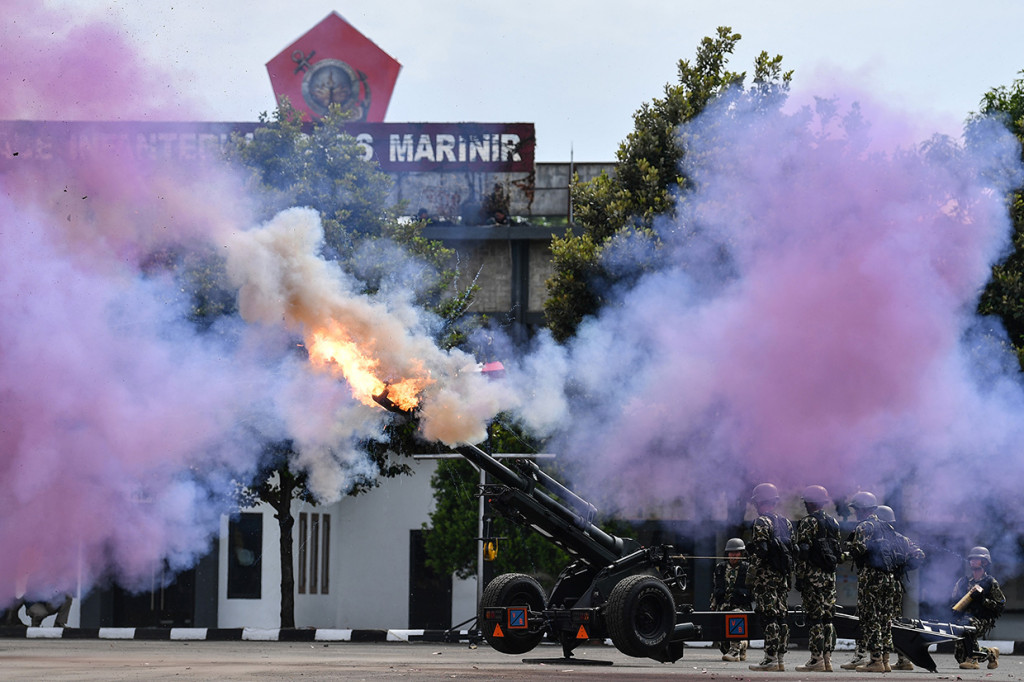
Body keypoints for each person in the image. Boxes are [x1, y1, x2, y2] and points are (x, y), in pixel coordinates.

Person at [845, 491, 901, 673]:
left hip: (871, 578)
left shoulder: (865, 526)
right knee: (885, 619)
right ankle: (885, 660)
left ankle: (875, 660)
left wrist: (843, 552)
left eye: (855, 510)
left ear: (861, 510)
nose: (854, 513)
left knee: (871, 619)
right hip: (889, 578)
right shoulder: (887, 527)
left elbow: (857, 550)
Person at [793, 485, 842, 673]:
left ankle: (816, 659)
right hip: (830, 577)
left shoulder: (808, 522)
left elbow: (803, 552)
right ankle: (827, 659)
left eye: (806, 502)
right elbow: (836, 552)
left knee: (815, 619)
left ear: (811, 502)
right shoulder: (834, 523)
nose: (805, 505)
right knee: (828, 618)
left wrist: (800, 577)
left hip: (813, 577)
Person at [747, 482, 794, 672]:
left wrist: (751, 574)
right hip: (782, 576)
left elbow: (761, 551)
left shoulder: (761, 522)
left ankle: (770, 659)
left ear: (759, 501)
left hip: (766, 577)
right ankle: (780, 658)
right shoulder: (786, 522)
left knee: (769, 617)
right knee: (781, 616)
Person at [875, 505, 924, 671]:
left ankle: (881, 659)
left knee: (881, 622)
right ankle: (903, 659)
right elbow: (919, 555)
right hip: (896, 584)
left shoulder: (877, 539)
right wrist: (903, 568)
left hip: (880, 585)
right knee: (894, 621)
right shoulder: (902, 539)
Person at [951, 546, 1005, 670]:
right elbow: (953, 601)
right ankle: (991, 653)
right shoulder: (963, 582)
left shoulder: (990, 582)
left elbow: (1000, 606)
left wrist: (982, 600)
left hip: (982, 620)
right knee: (960, 657)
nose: (973, 561)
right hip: (962, 620)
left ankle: (973, 660)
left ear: (985, 562)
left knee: (967, 624)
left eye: (977, 559)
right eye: (971, 559)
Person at [712, 537, 752, 662]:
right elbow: (716, 587)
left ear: (742, 554)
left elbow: (753, 590)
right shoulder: (720, 568)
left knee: (736, 616)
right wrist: (713, 604)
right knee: (723, 645)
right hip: (724, 606)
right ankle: (741, 646)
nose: (733, 555)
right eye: (731, 552)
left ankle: (735, 650)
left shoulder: (748, 568)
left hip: (741, 607)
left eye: (736, 552)